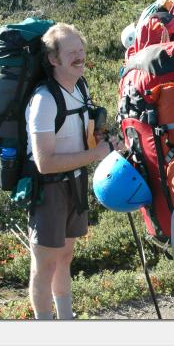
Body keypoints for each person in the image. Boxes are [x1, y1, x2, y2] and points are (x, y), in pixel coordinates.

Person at [25, 23, 123, 320]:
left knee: (65, 257)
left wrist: (105, 142)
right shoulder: (44, 100)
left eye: (81, 50)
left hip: (76, 183)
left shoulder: (81, 88)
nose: (79, 57)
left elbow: (84, 135)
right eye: (71, 53)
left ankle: (65, 320)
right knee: (44, 265)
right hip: (48, 189)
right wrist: (95, 155)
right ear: (53, 59)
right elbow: (44, 163)